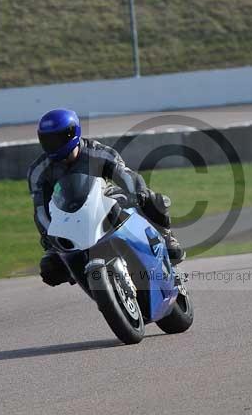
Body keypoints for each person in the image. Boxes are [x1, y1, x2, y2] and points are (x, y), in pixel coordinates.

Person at [28, 108, 185, 287]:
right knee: (49, 268)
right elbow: (40, 208)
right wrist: (48, 235)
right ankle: (84, 276)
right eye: (47, 140)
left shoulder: (97, 152)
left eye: (57, 139)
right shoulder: (38, 170)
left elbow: (124, 174)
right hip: (68, 219)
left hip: (104, 202)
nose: (52, 145)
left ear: (73, 133)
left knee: (152, 199)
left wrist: (137, 193)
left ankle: (166, 237)